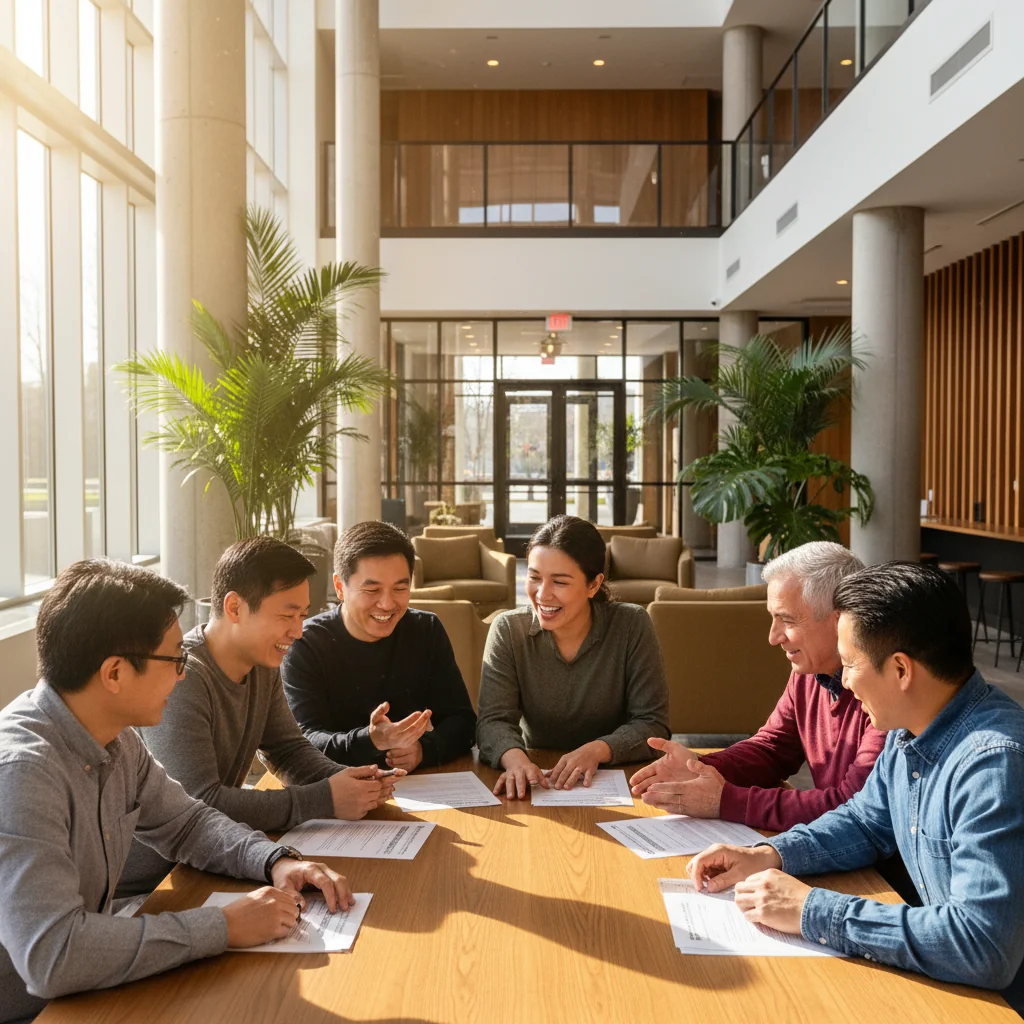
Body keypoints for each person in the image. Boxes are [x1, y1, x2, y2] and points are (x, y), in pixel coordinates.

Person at [0, 559, 354, 1024]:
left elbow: (187, 822)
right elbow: (53, 956)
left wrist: (275, 861)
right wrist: (223, 926)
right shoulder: (22, 774)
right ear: (114, 674)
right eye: (174, 660)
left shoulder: (116, 736)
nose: (182, 673)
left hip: (85, 990)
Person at [686, 562, 1024, 1008]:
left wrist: (812, 911)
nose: (842, 682)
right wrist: (768, 854)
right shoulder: (910, 728)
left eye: (849, 664)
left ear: (901, 670)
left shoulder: (993, 765)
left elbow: (982, 946)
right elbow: (864, 821)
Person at [120, 537, 398, 896]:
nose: (297, 631)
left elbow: (286, 750)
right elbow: (200, 804)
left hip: (218, 861)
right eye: (286, 615)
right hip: (151, 887)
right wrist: (324, 799)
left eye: (302, 615)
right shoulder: (183, 676)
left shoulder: (262, 662)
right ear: (235, 607)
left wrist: (353, 782)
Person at [630, 541, 886, 832]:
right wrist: (701, 768)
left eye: (786, 620)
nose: (773, 637)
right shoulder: (809, 671)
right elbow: (772, 749)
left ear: (838, 620)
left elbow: (851, 806)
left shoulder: (884, 693)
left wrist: (726, 801)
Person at [476, 515, 670, 799]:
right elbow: (492, 721)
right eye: (534, 577)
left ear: (594, 585)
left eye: (560, 582)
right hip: (536, 779)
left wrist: (598, 750)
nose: (542, 594)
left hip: (615, 779)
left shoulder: (631, 625)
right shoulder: (508, 629)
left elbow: (653, 723)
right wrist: (514, 758)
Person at [282, 521, 476, 772]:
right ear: (340, 587)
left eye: (400, 588)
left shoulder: (425, 630)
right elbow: (303, 743)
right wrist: (371, 740)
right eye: (372, 589)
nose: (387, 604)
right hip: (334, 790)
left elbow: (463, 722)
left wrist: (423, 750)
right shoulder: (306, 643)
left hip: (415, 788)